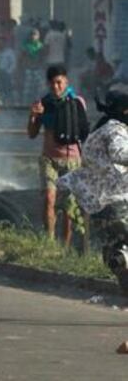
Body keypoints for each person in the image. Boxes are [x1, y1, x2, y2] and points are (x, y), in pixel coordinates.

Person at [58, 85, 128, 291]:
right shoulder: (115, 130)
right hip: (117, 201)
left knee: (115, 245)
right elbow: (118, 152)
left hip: (98, 204)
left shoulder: (99, 130)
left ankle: (120, 263)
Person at [27, 64, 88, 246]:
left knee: (69, 207)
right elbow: (32, 133)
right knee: (49, 199)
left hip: (72, 161)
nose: (56, 87)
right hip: (49, 159)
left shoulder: (77, 102)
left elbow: (83, 130)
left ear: (66, 81)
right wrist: (33, 116)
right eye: (52, 83)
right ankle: (49, 243)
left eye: (59, 83)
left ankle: (65, 246)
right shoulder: (43, 104)